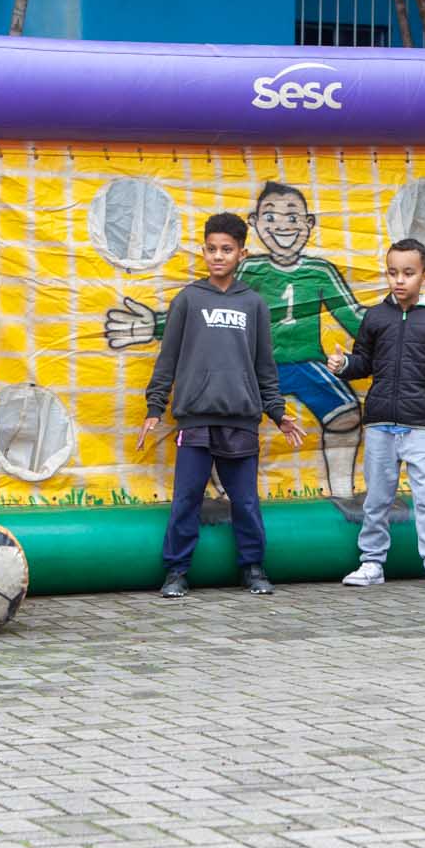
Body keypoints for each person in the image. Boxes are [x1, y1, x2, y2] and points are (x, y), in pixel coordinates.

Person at [109, 181, 368, 501]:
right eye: (271, 217)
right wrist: (154, 326)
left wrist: (389, 329)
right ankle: (224, 495)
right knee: (217, 432)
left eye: (293, 217)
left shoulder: (319, 271)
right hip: (243, 375)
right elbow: (203, 311)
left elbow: (353, 314)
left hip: (303, 365)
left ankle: (342, 493)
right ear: (257, 223)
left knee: (346, 414)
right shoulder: (245, 273)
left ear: (308, 224)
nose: (283, 226)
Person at [140, 211, 305, 599]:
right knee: (186, 499)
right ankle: (176, 571)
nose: (218, 256)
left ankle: (253, 567)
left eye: (227, 249)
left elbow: (264, 366)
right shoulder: (188, 299)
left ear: (241, 254)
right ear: (203, 251)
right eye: (212, 249)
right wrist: (154, 408)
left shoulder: (254, 304)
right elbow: (167, 359)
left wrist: (277, 412)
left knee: (245, 501)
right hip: (194, 421)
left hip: (241, 421)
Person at [327, 238, 425, 592]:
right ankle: (372, 563)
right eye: (392, 272)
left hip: (421, 424)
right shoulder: (375, 317)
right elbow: (364, 363)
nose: (399, 280)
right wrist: (344, 364)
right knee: (377, 498)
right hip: (380, 422)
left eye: (408, 273)